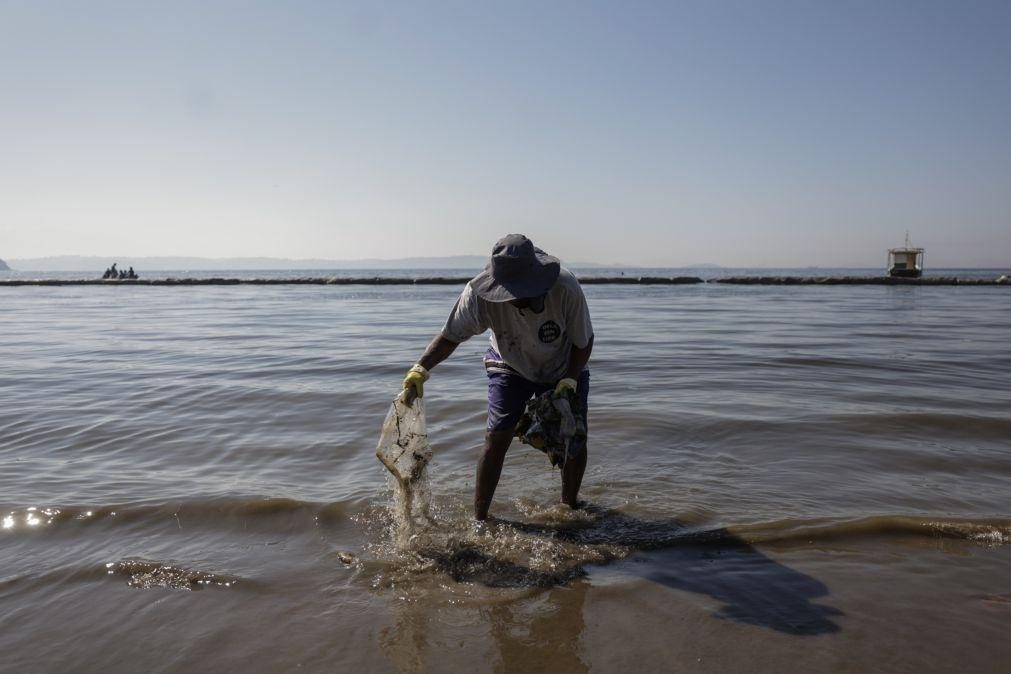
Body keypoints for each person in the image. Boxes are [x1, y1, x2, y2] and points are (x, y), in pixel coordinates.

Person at [402, 234, 594, 520]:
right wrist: (420, 368)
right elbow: (449, 336)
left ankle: (569, 506)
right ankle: (481, 518)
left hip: (563, 366)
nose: (520, 299)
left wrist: (569, 380)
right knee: (496, 438)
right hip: (509, 363)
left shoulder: (565, 287)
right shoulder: (478, 296)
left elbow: (583, 341)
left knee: (573, 439)